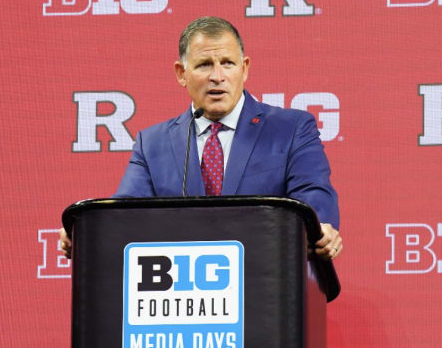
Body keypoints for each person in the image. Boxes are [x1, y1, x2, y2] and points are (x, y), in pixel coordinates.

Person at [60, 16, 342, 260]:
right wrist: (86, 232)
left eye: (227, 63)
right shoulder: (152, 143)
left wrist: (320, 227)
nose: (217, 76)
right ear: (182, 74)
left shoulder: (290, 128)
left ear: (244, 69)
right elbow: (124, 215)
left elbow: (313, 193)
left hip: (265, 286)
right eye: (205, 64)